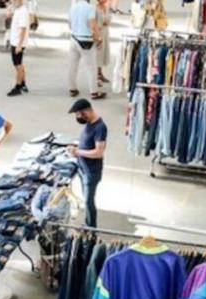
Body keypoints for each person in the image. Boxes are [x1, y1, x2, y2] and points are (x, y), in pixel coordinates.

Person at [68, 99, 106, 228]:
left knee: (88, 201)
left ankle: (91, 228)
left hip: (91, 172)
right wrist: (76, 146)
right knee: (85, 199)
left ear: (87, 111)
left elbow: (99, 152)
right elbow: (87, 143)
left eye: (79, 114)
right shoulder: (89, 124)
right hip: (83, 169)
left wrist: (78, 152)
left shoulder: (100, 128)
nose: (78, 117)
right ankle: (88, 223)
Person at [68, 0, 106, 99]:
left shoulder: (73, 6)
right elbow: (93, 25)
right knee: (91, 68)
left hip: (74, 38)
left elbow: (70, 24)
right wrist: (98, 39)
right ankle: (94, 92)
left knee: (73, 66)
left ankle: (72, 89)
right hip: (86, 40)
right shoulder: (90, 8)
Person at [6, 0, 30, 97]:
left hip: (17, 43)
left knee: (18, 65)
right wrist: (9, 8)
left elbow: (23, 29)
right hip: (15, 41)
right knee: (19, 63)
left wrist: (19, 45)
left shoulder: (23, 12)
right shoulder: (18, 10)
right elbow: (8, 17)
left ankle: (18, 86)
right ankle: (23, 83)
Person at [95, 0, 111, 84]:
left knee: (103, 53)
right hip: (99, 33)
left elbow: (109, 18)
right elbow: (94, 22)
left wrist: (107, 22)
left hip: (105, 33)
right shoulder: (95, 9)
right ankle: (97, 75)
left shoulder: (106, 7)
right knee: (98, 54)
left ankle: (100, 73)